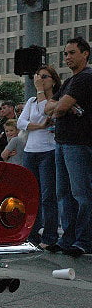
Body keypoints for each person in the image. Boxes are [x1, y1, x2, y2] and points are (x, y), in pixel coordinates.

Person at [44, 36, 92, 257]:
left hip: (78, 144)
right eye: (65, 53)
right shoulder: (68, 81)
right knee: (63, 194)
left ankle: (83, 240)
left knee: (81, 194)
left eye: (72, 52)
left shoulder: (85, 77)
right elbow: (48, 107)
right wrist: (60, 107)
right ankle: (68, 239)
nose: (68, 57)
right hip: (62, 143)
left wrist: (61, 107)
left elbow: (60, 107)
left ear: (85, 54)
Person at [17, 65, 61, 249]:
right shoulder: (31, 101)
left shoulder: (55, 100)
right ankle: (31, 233)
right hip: (31, 150)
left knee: (48, 195)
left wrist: (41, 91)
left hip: (48, 150)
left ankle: (50, 236)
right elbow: (21, 122)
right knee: (31, 195)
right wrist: (40, 126)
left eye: (45, 76)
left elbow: (46, 111)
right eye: (38, 76)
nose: (40, 79)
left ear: (53, 80)